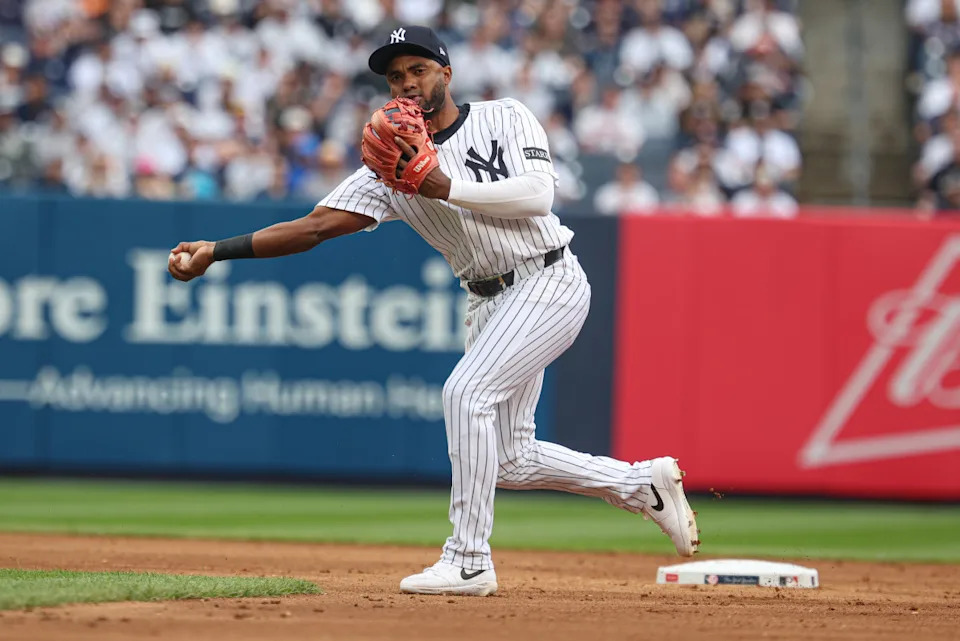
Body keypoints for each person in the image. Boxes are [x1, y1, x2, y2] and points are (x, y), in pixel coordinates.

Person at [167, 25, 700, 597]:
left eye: (417, 70)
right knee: (511, 460)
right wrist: (217, 251)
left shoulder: (506, 115)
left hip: (548, 279)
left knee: (464, 393)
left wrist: (444, 186)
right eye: (395, 77)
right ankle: (640, 483)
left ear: (445, 73)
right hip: (487, 301)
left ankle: (469, 559)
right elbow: (314, 226)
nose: (407, 83)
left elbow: (539, 195)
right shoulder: (389, 165)